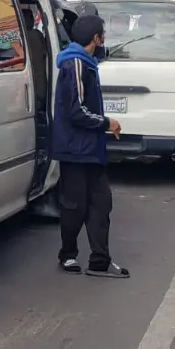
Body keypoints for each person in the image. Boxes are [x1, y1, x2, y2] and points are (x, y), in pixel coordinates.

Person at [52, 15, 129, 279]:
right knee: (74, 206)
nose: (104, 39)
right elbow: (76, 111)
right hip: (74, 149)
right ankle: (68, 255)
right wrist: (107, 123)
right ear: (96, 38)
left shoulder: (87, 62)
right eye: (102, 35)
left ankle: (100, 261)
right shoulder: (74, 63)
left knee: (101, 203)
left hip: (91, 149)